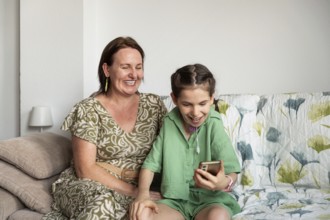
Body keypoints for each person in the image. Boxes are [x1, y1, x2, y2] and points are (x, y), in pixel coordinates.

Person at [42, 36, 167, 220]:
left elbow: (174, 146)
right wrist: (135, 191)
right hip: (90, 184)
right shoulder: (88, 109)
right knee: (104, 205)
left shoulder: (154, 105)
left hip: (141, 185)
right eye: (125, 67)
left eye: (138, 67)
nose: (134, 74)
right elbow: (86, 169)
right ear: (107, 69)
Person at [130, 64, 241, 220]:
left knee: (218, 217)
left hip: (209, 201)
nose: (195, 113)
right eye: (187, 104)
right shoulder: (169, 122)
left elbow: (232, 171)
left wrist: (224, 182)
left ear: (211, 98)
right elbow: (150, 165)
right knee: (142, 214)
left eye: (202, 104)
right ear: (174, 99)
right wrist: (142, 195)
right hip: (175, 202)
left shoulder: (214, 123)